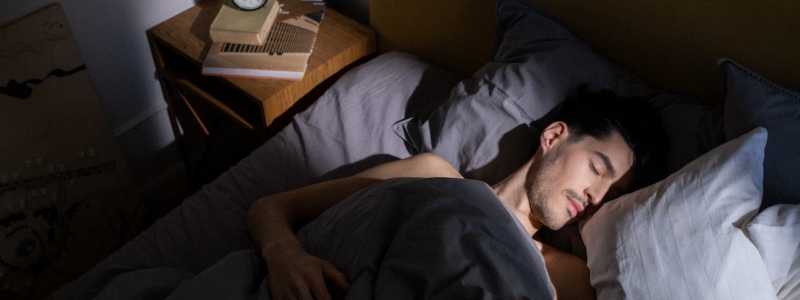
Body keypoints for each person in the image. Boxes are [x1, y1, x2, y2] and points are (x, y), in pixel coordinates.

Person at [247, 91, 668, 300]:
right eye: (598, 169)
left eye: (612, 193)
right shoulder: (433, 175)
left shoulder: (566, 276)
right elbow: (273, 207)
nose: (596, 196)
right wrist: (286, 256)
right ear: (555, 135)